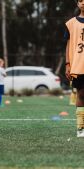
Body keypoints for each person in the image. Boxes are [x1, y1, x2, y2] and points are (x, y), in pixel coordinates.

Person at [65, 0, 84, 138]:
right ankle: (80, 128)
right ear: (77, 4)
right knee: (81, 95)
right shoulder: (71, 23)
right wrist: (67, 64)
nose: (83, 3)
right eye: (81, 1)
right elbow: (68, 45)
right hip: (78, 65)